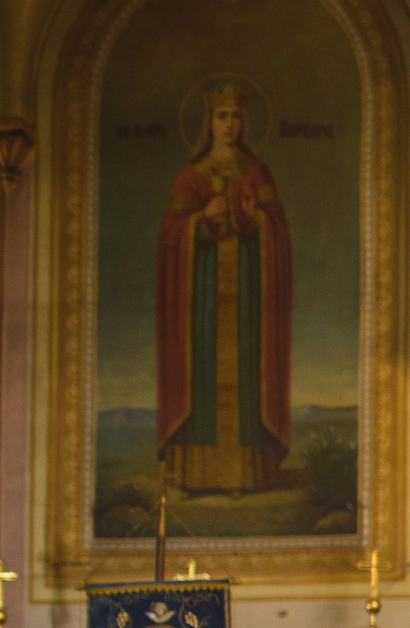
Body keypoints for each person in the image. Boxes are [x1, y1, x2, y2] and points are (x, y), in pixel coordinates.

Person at [157, 83, 293, 493]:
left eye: (236, 116)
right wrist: (201, 218)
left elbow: (278, 231)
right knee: (202, 374)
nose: (230, 124)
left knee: (248, 374)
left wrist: (257, 220)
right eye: (222, 116)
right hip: (201, 298)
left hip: (249, 294)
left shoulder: (257, 171)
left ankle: (248, 474)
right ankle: (198, 475)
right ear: (209, 123)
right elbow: (170, 235)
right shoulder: (190, 175)